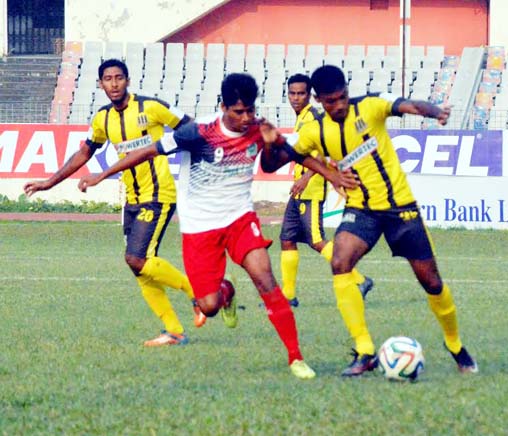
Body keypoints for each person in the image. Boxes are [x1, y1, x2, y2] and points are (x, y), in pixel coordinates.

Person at [77, 73, 357, 379]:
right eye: (239, 112)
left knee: (266, 279)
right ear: (224, 107)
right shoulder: (196, 132)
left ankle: (296, 358)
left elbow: (290, 157)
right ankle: (226, 291)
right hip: (199, 228)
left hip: (240, 219)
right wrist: (100, 176)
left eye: (250, 110)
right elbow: (146, 151)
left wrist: (326, 172)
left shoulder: (257, 127)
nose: (246, 117)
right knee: (208, 306)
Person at [261, 65, 478, 377]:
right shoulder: (315, 130)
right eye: (332, 101)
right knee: (340, 261)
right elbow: (276, 162)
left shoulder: (369, 106)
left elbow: (408, 104)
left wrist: (436, 112)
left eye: (343, 97)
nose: (340, 105)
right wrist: (272, 143)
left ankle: (455, 344)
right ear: (320, 100)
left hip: (400, 208)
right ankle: (364, 350)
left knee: (431, 282)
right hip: (362, 210)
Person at [24, 58, 206, 347]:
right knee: (139, 267)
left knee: (136, 258)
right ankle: (174, 331)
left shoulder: (151, 106)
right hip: (131, 199)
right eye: (107, 79)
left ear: (128, 79)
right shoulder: (102, 118)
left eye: (119, 77)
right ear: (100, 84)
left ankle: (199, 293)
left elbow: (191, 128)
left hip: (158, 195)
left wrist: (185, 158)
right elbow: (84, 152)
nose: (114, 83)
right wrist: (49, 182)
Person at [280, 73, 373, 308]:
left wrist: (308, 177)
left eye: (301, 93)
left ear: (309, 95)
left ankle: (360, 280)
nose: (296, 98)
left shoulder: (312, 116)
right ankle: (288, 296)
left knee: (317, 239)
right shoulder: (302, 117)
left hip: (310, 189)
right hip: (299, 189)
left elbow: (321, 151)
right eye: (292, 93)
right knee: (287, 239)